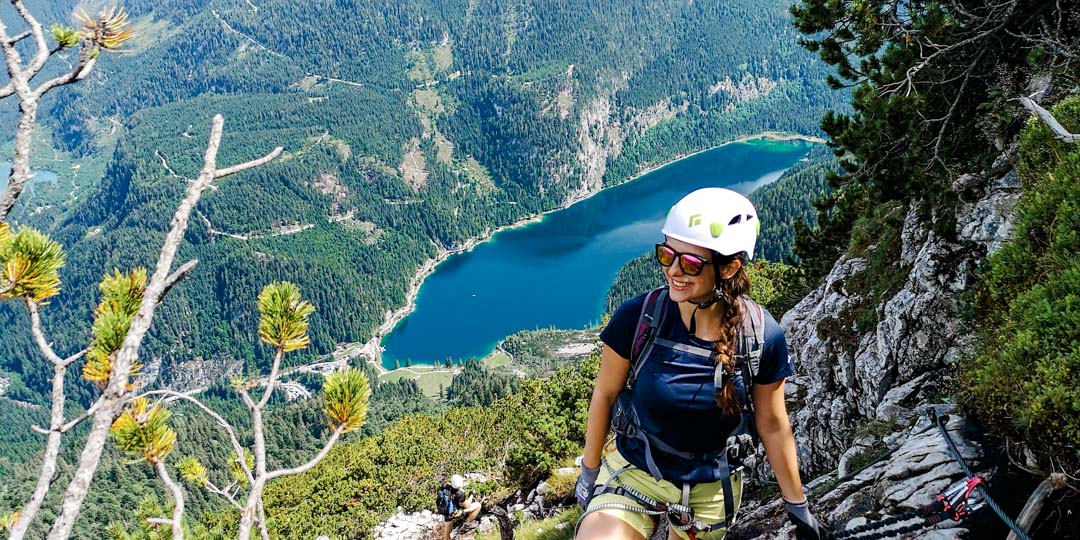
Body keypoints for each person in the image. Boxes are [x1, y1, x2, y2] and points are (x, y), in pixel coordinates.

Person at [574, 188, 827, 540]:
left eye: (690, 263)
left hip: (710, 489)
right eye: (666, 255)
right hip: (636, 470)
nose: (673, 271)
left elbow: (772, 423)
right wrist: (589, 469)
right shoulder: (640, 318)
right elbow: (604, 392)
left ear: (729, 267)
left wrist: (797, 506)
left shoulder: (761, 336)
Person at [440, 474, 481, 539]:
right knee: (478, 506)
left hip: (446, 514)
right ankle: (467, 524)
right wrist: (471, 495)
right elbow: (467, 505)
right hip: (455, 514)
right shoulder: (460, 494)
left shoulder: (444, 486)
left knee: (446, 537)